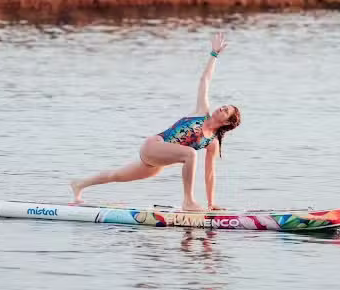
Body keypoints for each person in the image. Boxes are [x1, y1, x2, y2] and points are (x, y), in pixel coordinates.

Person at [69, 32, 242, 211]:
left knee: (117, 175)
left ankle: (79, 185)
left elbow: (210, 174)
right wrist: (214, 55)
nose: (221, 108)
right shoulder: (201, 112)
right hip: (153, 145)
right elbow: (205, 80)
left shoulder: (212, 142)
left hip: (156, 163)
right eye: (223, 106)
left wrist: (211, 203)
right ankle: (188, 202)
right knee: (190, 153)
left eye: (226, 110)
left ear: (227, 123)